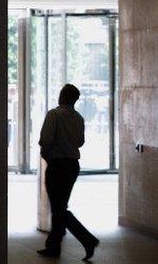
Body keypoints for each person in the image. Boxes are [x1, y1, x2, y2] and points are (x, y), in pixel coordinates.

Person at [36, 84, 100, 261]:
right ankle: (53, 246)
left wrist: (47, 155)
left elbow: (46, 139)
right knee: (60, 206)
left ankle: (87, 240)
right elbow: (80, 142)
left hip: (57, 165)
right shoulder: (78, 118)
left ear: (62, 96)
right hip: (72, 165)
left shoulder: (54, 114)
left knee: (59, 208)